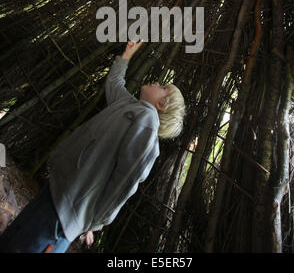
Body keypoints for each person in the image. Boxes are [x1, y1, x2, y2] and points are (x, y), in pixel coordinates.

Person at [0, 41, 185, 253]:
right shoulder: (130, 106)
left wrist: (96, 221)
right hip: (58, 192)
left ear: (162, 105)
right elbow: (115, 82)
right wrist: (125, 56)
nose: (156, 83)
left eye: (162, 88)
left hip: (67, 212)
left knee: (24, 246)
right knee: (13, 239)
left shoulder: (147, 121)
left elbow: (125, 182)